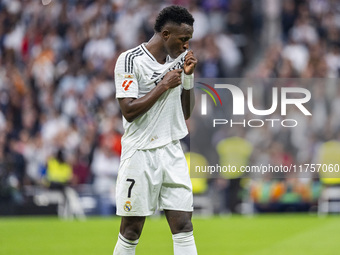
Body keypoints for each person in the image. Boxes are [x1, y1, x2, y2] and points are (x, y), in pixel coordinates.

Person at [113, 5, 198, 255]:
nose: (186, 45)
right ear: (165, 34)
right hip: (140, 153)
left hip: (171, 149)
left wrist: (188, 79)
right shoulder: (130, 60)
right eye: (183, 39)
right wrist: (163, 85)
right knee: (131, 229)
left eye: (189, 40)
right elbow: (128, 109)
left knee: (184, 225)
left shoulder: (181, 60)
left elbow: (186, 113)